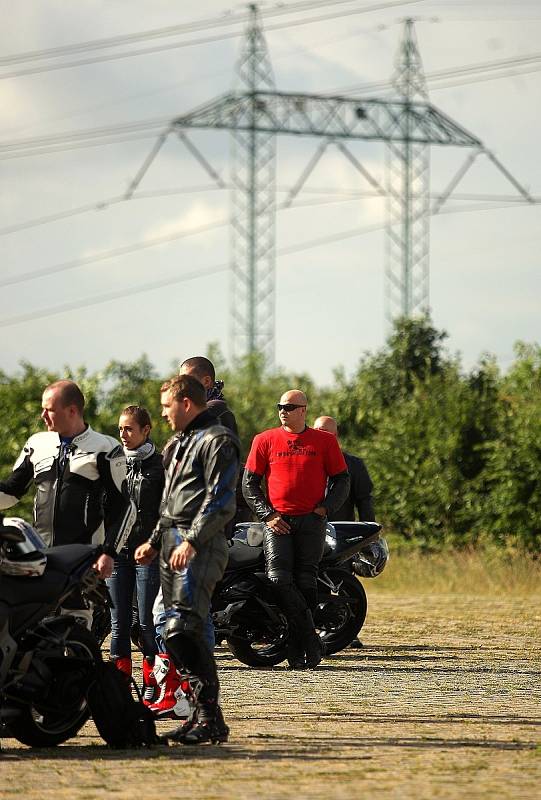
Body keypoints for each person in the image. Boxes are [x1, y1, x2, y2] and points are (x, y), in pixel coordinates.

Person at [134, 374, 239, 745]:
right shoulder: (179, 442)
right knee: (168, 629)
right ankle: (203, 716)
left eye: (166, 406)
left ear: (187, 404)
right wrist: (152, 541)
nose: (163, 414)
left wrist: (192, 540)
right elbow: (169, 502)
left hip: (201, 544)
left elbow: (221, 499)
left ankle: (210, 719)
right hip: (171, 542)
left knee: (184, 629)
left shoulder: (218, 440)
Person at [0, 380, 135, 625]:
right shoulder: (36, 444)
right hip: (39, 555)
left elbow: (125, 507)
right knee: (33, 628)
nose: (42, 415)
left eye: (49, 409)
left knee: (76, 629)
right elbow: (11, 492)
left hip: (81, 558)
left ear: (72, 410)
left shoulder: (106, 448)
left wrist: (109, 552)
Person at [242, 389, 350, 669]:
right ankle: (310, 640)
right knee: (277, 578)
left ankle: (296, 647)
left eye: (289, 406)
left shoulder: (324, 441)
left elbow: (342, 479)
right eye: (280, 406)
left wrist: (325, 508)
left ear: (303, 410)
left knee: (306, 582)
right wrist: (267, 515)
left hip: (312, 521)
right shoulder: (264, 439)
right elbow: (249, 484)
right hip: (277, 522)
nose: (283, 410)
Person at [106, 406, 163, 689]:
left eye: (129, 428)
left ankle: (152, 683)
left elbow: (167, 511)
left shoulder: (159, 466)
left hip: (148, 554)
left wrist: (155, 544)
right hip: (118, 553)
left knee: (147, 623)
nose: (123, 435)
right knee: (119, 624)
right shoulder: (114, 464)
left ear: (146, 430)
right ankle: (120, 686)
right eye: (120, 429)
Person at [313, 416, 375, 522]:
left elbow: (364, 501)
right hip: (307, 530)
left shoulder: (354, 465)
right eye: (315, 431)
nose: (318, 435)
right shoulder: (301, 462)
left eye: (323, 431)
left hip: (340, 530)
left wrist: (369, 534)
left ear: (335, 436)